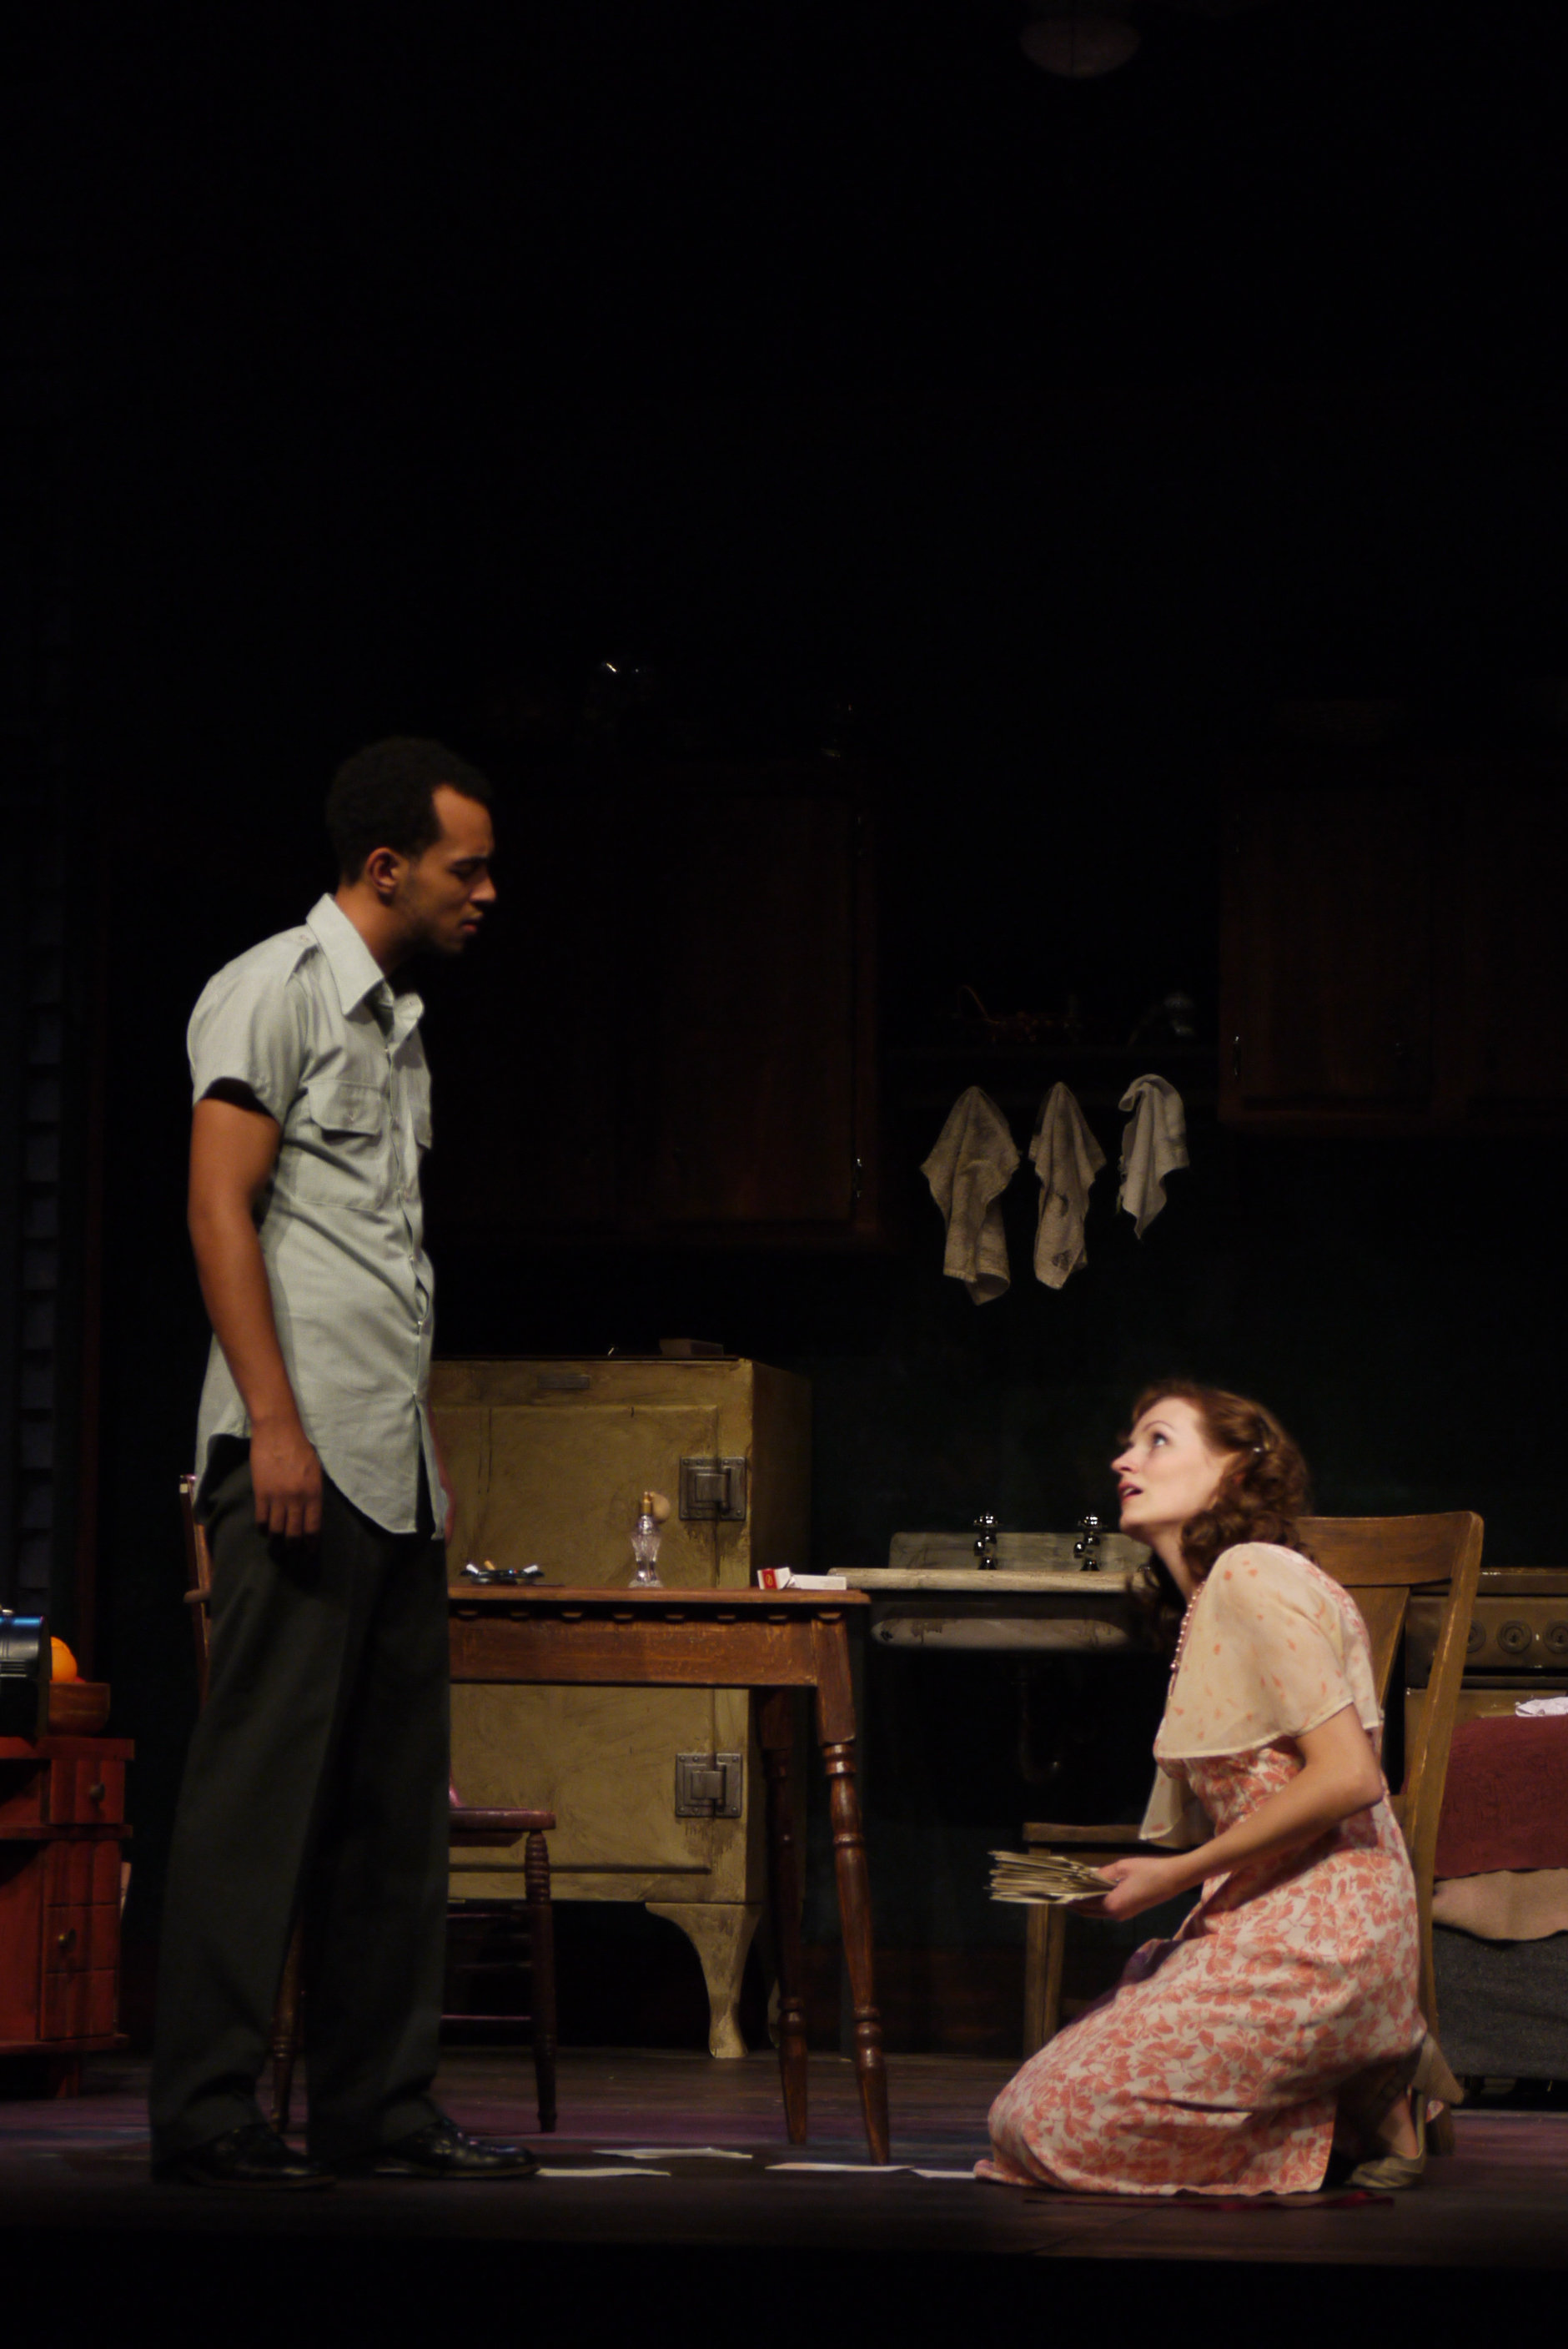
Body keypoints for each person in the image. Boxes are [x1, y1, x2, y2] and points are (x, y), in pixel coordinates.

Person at [149, 737, 535, 2187]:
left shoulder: (397, 1027)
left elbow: (377, 1260)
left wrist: (414, 1454)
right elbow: (219, 1210)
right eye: (464, 868)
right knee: (259, 1794)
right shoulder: (276, 989)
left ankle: (377, 2106)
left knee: (391, 1811)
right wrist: (276, 1422)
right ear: (387, 866)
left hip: (385, 1460)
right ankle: (206, 2110)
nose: (486, 891)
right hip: (294, 1449)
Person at [981, 1381, 1461, 2197]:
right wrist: (1149, 1879)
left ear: (1236, 1469)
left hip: (1325, 1933)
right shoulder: (1216, 1595)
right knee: (1020, 2116)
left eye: (1158, 1439)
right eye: (1128, 1441)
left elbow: (1351, 1775)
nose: (1123, 1460)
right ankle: (1359, 2080)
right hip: (1262, 1913)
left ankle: (1361, 2063)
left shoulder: (1250, 1572)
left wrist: (1172, 1874)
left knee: (1043, 2125)